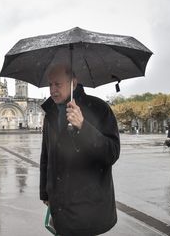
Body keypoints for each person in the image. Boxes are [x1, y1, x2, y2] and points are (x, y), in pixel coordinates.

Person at [39, 64, 120, 235]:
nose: (52, 90)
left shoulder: (99, 108)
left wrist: (83, 126)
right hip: (60, 206)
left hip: (89, 206)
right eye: (50, 84)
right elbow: (46, 155)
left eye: (58, 84)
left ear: (73, 83)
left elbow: (111, 152)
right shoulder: (50, 114)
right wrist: (46, 192)